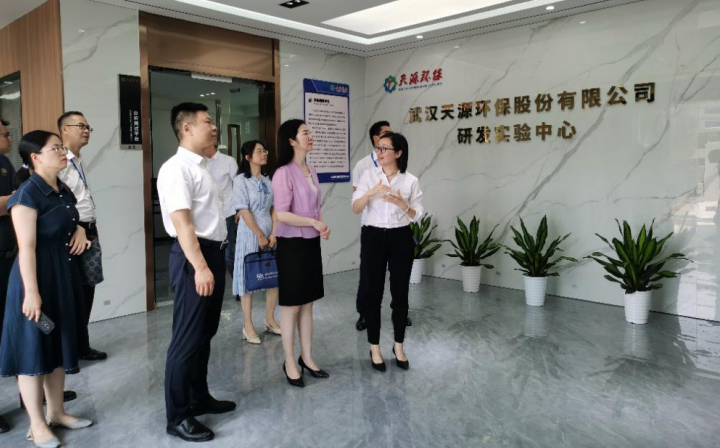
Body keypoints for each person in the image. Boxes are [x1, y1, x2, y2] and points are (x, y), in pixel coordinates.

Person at [0, 131, 93, 448]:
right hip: (35, 279)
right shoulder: (28, 193)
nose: (62, 152)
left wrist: (79, 229)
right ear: (35, 157)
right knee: (34, 348)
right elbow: (26, 248)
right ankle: (36, 424)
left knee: (58, 344)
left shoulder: (61, 188)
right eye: (55, 148)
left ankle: (56, 412)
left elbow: (68, 220)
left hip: (62, 275)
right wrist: (32, 292)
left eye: (62, 147)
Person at [158, 103, 235, 443]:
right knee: (187, 339)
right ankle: (177, 416)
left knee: (205, 332)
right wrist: (200, 267)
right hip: (195, 257)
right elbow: (183, 224)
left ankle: (198, 397)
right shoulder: (176, 168)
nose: (214, 127)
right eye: (207, 122)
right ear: (187, 128)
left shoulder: (202, 166)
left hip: (212, 254)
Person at [352, 132, 423, 372]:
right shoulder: (368, 175)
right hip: (373, 236)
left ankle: (399, 346)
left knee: (400, 293)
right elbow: (356, 208)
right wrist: (369, 193)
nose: (379, 153)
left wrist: (403, 204)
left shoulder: (410, 180)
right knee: (373, 293)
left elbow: (417, 214)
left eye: (384, 148)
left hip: (400, 237)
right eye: (378, 148)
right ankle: (374, 347)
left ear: (398, 153)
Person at [272, 119, 330, 388]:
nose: (310, 136)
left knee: (307, 303)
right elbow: (282, 214)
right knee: (292, 305)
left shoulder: (311, 169)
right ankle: (289, 362)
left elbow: (315, 207)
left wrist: (321, 225)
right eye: (305, 132)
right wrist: (312, 223)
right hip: (291, 245)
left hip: (310, 243)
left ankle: (306, 357)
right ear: (291, 140)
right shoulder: (283, 172)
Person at [57, 111, 107, 362]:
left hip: (88, 230)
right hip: (72, 233)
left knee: (87, 288)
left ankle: (81, 345)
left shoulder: (77, 159)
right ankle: (68, 349)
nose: (86, 131)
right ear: (64, 129)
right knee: (73, 293)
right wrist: (75, 225)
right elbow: (58, 200)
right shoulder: (59, 160)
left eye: (88, 127)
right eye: (81, 126)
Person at [232, 140, 280, 344]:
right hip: (250, 232)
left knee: (272, 275)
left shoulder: (268, 180)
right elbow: (243, 210)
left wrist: (274, 233)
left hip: (269, 230)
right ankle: (248, 325)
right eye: (259, 151)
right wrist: (259, 234)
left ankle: (270, 319)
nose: (264, 154)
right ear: (248, 157)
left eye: (264, 150)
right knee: (247, 277)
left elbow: (274, 209)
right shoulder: (241, 181)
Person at [204, 142, 238, 279]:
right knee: (209, 251)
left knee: (229, 253)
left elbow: (239, 185)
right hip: (206, 215)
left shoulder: (228, 161)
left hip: (226, 213)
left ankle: (237, 283)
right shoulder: (199, 162)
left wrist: (239, 209)